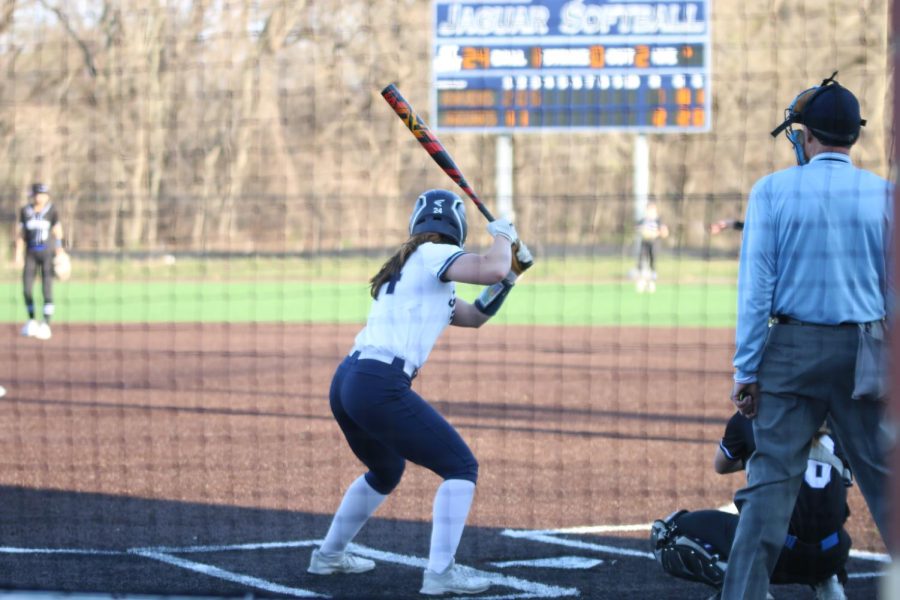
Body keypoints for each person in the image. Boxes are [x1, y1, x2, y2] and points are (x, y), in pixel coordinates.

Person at [307, 189, 532, 596]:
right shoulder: (432, 258)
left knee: (387, 470)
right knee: (461, 467)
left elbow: (476, 314)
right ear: (458, 227)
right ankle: (440, 574)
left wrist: (513, 275)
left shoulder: (418, 268)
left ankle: (328, 556)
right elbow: (490, 268)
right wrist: (504, 236)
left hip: (349, 382)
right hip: (377, 384)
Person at [725, 73, 892, 600]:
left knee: (769, 491)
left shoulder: (772, 190)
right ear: (854, 137)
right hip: (865, 352)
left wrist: (746, 370)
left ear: (808, 135)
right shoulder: (884, 194)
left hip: (790, 353)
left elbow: (756, 292)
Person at [650, 412, 852, 600]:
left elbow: (721, 465)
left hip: (772, 552)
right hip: (832, 555)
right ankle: (830, 582)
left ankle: (749, 593)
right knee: (817, 516)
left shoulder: (751, 416)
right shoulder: (834, 422)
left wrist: (754, 455)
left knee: (666, 534)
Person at [14, 183, 67, 340]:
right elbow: (20, 233)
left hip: (47, 256)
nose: (40, 197)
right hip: (30, 254)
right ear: (33, 195)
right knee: (27, 289)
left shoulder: (52, 210)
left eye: (43, 194)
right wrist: (18, 254)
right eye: (38, 194)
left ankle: (46, 323)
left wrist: (60, 252)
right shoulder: (25, 211)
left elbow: (58, 232)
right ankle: (31, 321)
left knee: (47, 290)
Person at [634, 201, 669, 292]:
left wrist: (657, 233)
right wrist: (643, 231)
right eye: (648, 209)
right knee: (641, 261)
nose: (649, 212)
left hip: (654, 244)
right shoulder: (642, 220)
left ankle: (652, 282)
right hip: (644, 243)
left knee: (652, 263)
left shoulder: (658, 221)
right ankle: (641, 281)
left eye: (651, 210)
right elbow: (637, 229)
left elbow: (665, 232)